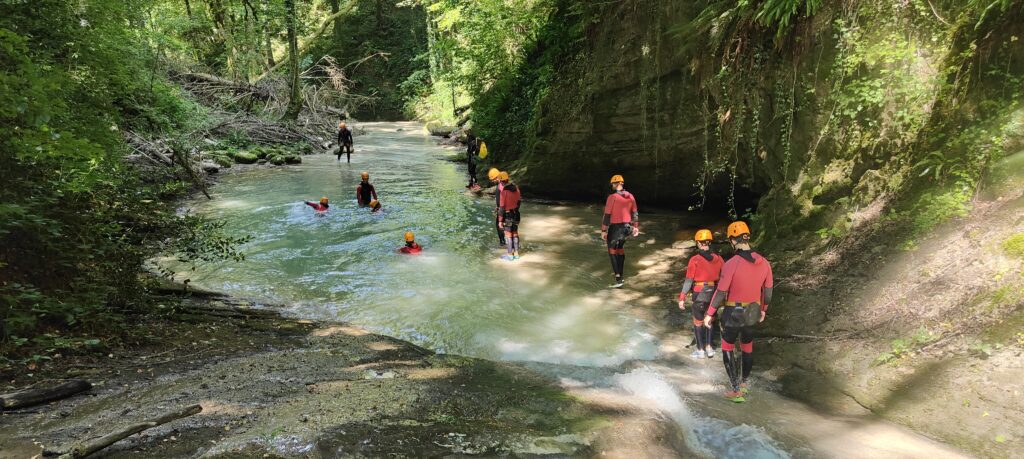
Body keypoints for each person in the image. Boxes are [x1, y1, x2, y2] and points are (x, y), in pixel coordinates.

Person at [703, 221, 773, 403]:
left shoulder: (732, 263)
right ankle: (744, 384)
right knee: (747, 346)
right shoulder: (765, 263)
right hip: (754, 309)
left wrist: (710, 313)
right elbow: (768, 291)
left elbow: (721, 291)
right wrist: (764, 309)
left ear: (733, 240)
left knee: (727, 346)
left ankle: (735, 390)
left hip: (734, 310)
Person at [679, 229, 724, 359]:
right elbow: (724, 277)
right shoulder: (719, 259)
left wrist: (682, 297)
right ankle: (709, 348)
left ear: (698, 243)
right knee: (710, 319)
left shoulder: (695, 259)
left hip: (699, 292)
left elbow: (689, 280)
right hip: (714, 292)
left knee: (698, 321)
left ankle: (700, 350)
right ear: (709, 242)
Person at [601, 174, 639, 288]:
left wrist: (603, 230)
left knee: (612, 250)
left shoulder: (612, 197)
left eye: (612, 184)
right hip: (627, 228)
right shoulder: (631, 196)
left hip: (615, 228)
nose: (612, 186)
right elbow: (635, 213)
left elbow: (607, 215)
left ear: (615, 184)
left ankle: (618, 279)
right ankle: (621, 276)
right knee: (620, 249)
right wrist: (636, 227)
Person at [497, 172, 521, 260]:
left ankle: (510, 255)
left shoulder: (504, 192)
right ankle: (516, 254)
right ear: (507, 179)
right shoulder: (516, 189)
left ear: (501, 181)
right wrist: (515, 209)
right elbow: (519, 202)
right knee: (515, 233)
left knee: (508, 235)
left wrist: (500, 220)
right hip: (516, 214)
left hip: (508, 215)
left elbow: (502, 207)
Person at [488, 168, 506, 247]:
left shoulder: (499, 186)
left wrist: (499, 208)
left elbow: (500, 200)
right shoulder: (505, 183)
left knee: (499, 225)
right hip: (508, 209)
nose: (492, 181)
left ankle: (502, 243)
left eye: (493, 179)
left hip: (502, 210)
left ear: (496, 177)